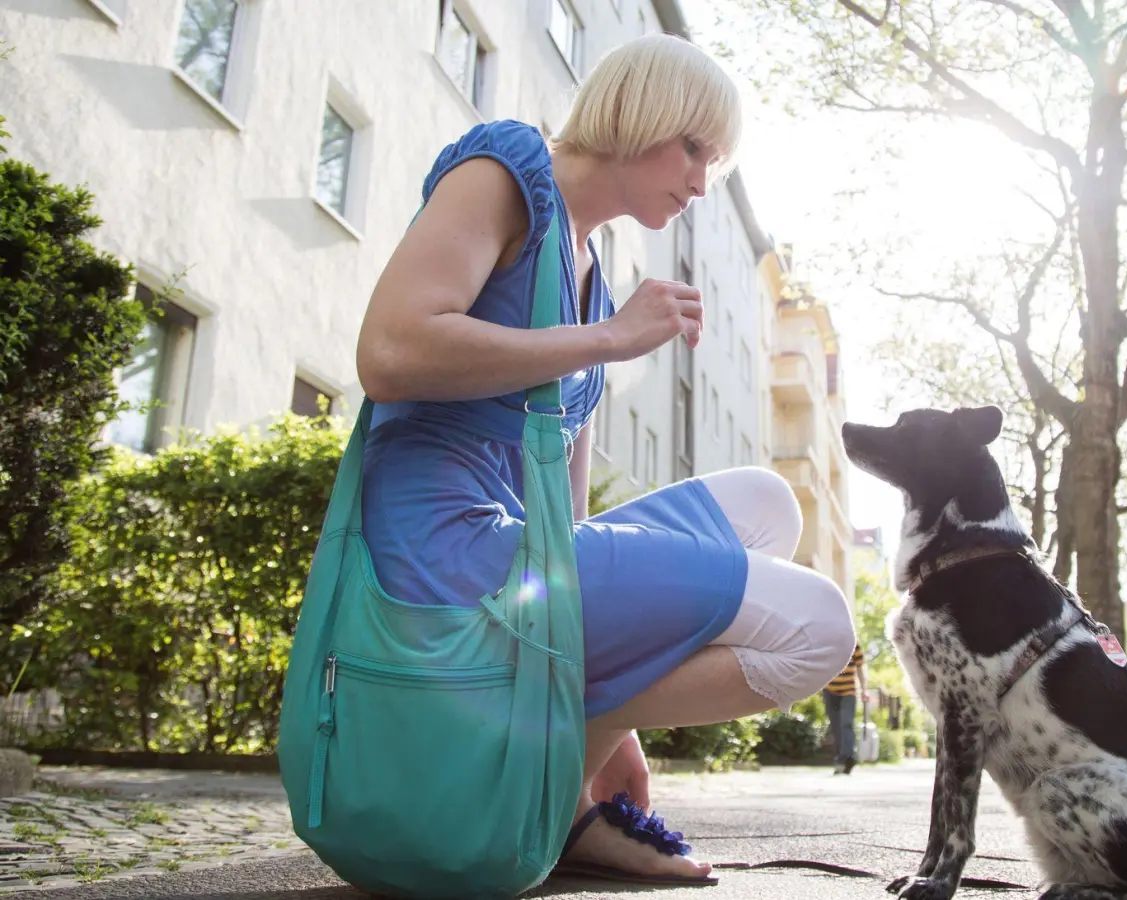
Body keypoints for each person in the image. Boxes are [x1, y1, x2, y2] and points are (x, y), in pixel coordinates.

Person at [353, 34, 855, 885]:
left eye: (715, 161)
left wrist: (616, 724)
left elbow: (569, 524)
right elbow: (391, 349)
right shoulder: (509, 168)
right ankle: (559, 783)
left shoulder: (590, 275)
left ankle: (564, 771)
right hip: (440, 546)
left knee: (769, 505)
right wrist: (612, 338)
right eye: (694, 147)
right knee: (820, 631)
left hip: (522, 556)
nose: (702, 182)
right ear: (640, 111)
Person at [823, 643, 866, 774]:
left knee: (846, 723)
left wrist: (864, 689)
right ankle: (841, 757)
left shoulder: (854, 643)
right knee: (836, 726)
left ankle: (846, 758)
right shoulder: (825, 643)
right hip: (829, 690)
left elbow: (860, 667)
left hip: (849, 691)